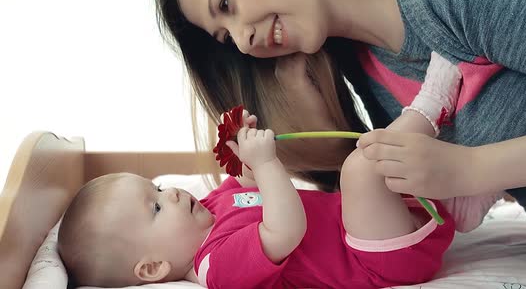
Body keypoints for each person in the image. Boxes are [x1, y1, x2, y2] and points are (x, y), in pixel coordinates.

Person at [153, 0, 526, 281]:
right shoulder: (358, 57)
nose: (243, 43)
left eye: (226, 2)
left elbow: (461, 169)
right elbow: (370, 202)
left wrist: (472, 170)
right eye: (226, 38)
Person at [57, 118, 455, 288]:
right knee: (363, 165)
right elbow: (286, 230)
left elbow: (249, 188)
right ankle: (434, 102)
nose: (172, 193)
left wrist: (245, 155)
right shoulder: (218, 267)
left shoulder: (211, 206)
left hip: (372, 223)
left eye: (157, 188)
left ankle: (464, 198)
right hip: (373, 261)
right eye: (156, 207)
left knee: (381, 166)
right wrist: (267, 163)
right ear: (153, 267)